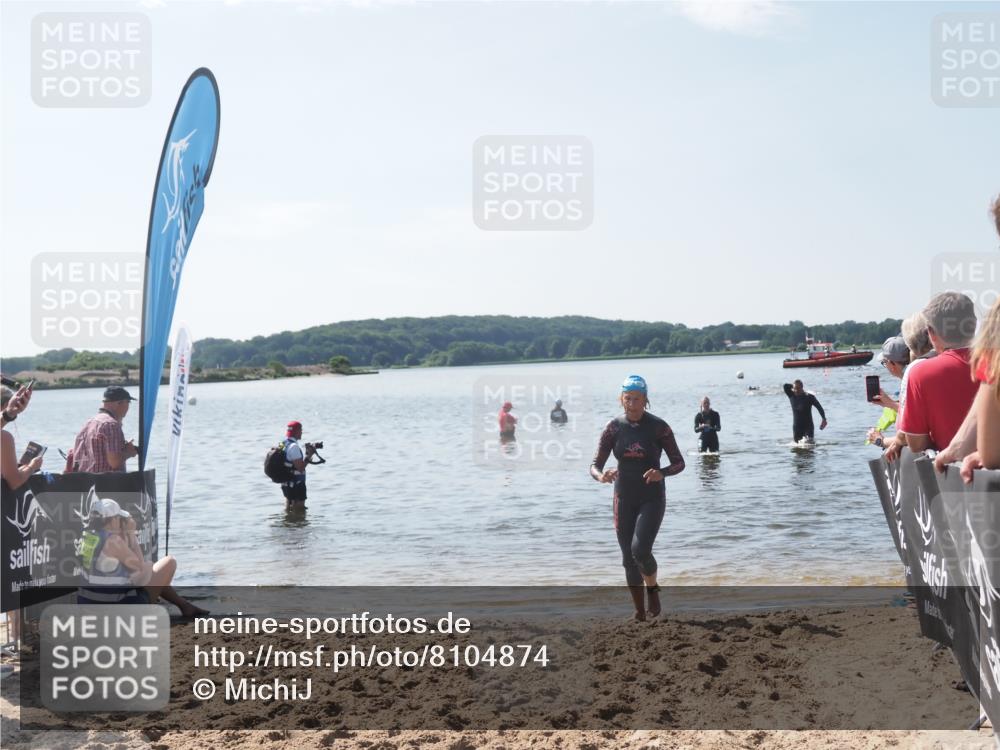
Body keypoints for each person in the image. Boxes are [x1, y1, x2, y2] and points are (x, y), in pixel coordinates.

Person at [590, 375, 685, 622]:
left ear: (645, 400)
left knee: (640, 550)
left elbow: (679, 463)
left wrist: (660, 473)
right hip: (623, 497)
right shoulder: (613, 427)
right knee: (627, 559)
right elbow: (594, 465)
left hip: (651, 497)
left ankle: (652, 591)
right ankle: (639, 612)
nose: (631, 404)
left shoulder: (658, 427)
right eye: (627, 398)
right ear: (621, 398)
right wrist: (602, 476)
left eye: (637, 399)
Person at [885, 292, 978, 462]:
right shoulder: (994, 362)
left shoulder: (921, 373)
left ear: (931, 333)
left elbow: (916, 443)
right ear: (973, 325)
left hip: (955, 475)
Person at [65, 386, 139, 473]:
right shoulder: (111, 424)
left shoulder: (88, 423)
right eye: (128, 402)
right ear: (119, 403)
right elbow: (114, 462)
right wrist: (129, 452)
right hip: (106, 484)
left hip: (84, 483)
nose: (128, 407)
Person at [865, 336, 909, 447]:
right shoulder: (913, 375)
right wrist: (890, 404)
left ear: (891, 364)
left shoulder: (910, 381)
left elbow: (913, 431)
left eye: (884, 363)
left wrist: (880, 440)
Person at [281, 420, 316, 509]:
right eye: (301, 430)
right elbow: (300, 468)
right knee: (299, 509)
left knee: (288, 507)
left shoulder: (283, 444)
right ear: (297, 431)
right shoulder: (294, 447)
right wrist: (309, 455)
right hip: (297, 483)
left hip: (286, 483)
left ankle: (290, 522)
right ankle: (298, 522)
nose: (301, 433)